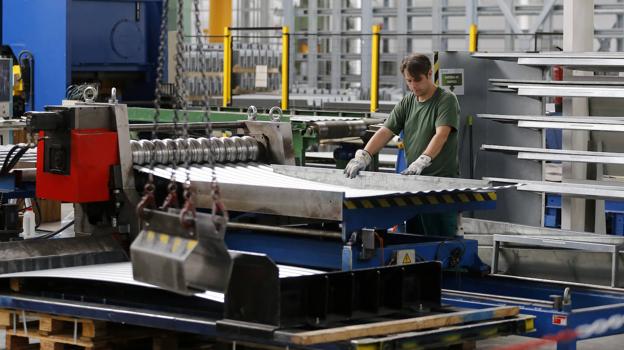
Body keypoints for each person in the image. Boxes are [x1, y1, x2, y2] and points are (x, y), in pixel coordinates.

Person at [344, 53, 460, 237]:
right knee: (414, 242)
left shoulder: (446, 99)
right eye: (409, 81)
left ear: (430, 73)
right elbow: (385, 131)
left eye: (417, 80)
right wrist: (364, 156)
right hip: (414, 185)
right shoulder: (408, 102)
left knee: (442, 242)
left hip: (440, 187)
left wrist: (423, 161)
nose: (413, 86)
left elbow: (442, 135)